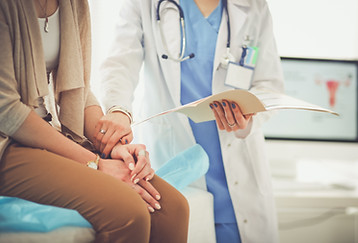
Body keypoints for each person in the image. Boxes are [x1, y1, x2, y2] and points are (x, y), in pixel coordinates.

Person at [0, 1, 189, 243]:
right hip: (8, 142)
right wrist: (95, 163)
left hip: (48, 131)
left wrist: (110, 144)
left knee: (173, 209)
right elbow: (6, 109)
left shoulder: (73, 4)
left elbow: (79, 88)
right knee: (128, 211)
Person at [98, 0, 284, 242]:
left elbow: (270, 84)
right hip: (174, 158)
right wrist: (118, 110)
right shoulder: (145, 4)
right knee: (184, 224)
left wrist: (249, 114)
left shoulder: (253, 6)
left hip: (237, 171)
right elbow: (120, 63)